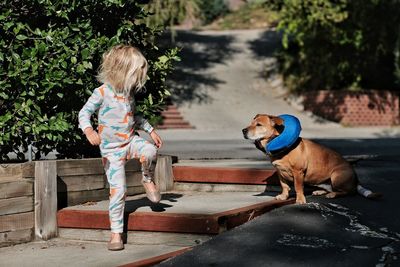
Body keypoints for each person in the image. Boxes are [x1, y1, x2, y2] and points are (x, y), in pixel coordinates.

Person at [78, 44, 162, 251]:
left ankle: (147, 178)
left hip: (130, 141)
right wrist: (89, 131)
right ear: (122, 70)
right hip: (111, 151)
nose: (140, 78)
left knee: (150, 150)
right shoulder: (102, 92)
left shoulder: (128, 94)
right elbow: (83, 113)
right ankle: (116, 232)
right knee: (118, 191)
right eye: (137, 73)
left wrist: (150, 130)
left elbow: (134, 117)